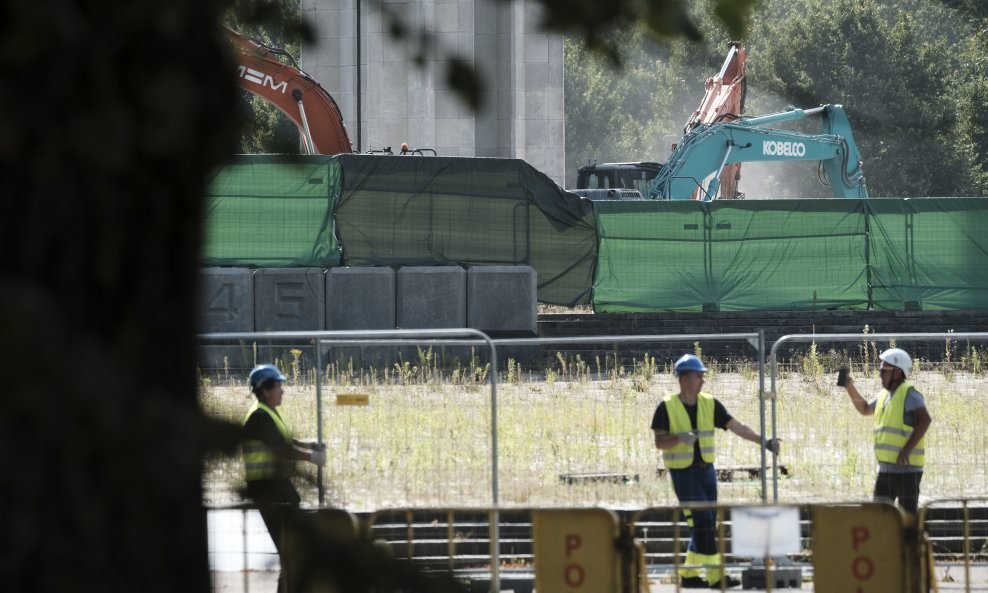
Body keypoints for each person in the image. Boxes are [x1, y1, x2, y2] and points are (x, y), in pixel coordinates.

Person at [651, 354, 780, 589]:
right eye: (698, 376)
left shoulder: (710, 403)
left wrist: (765, 442)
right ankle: (716, 577)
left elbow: (737, 427)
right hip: (683, 473)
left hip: (707, 471)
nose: (702, 381)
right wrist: (679, 438)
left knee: (708, 522)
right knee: (702, 522)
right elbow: (659, 442)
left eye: (702, 376)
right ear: (684, 379)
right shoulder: (666, 406)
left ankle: (689, 576)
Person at [243, 364, 326, 593]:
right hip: (269, 491)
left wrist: (309, 446)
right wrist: (311, 457)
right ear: (267, 389)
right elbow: (278, 449)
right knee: (290, 552)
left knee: (293, 552)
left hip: (278, 488)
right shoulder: (259, 416)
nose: (283, 390)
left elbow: (285, 439)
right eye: (279, 385)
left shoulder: (268, 412)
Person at [842, 347, 931, 515]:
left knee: (908, 518)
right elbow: (865, 408)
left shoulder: (910, 394)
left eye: (883, 370)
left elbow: (925, 419)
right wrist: (850, 387)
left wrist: (906, 451)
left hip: (908, 470)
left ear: (897, 372)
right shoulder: (885, 395)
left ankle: (912, 542)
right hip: (886, 469)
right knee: (879, 516)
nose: (880, 374)